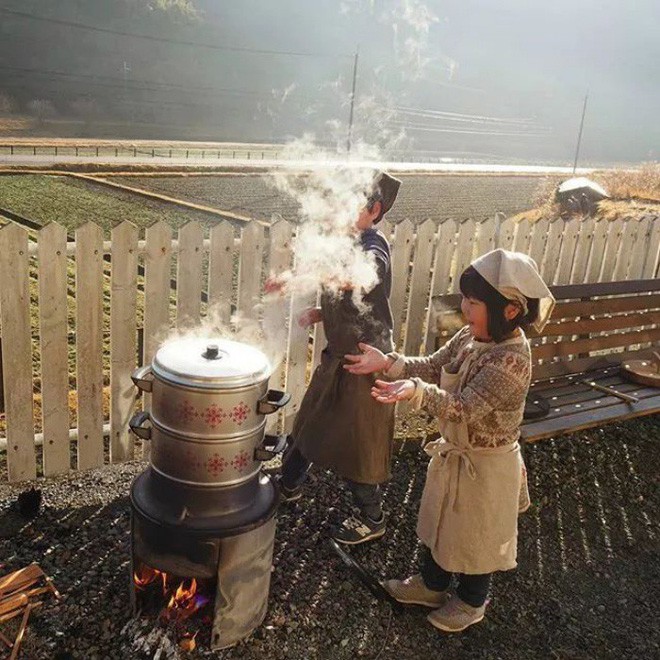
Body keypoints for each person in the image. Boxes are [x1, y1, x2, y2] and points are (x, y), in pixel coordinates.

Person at [344, 248, 555, 631]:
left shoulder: (512, 360)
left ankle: (473, 601)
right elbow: (433, 365)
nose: (464, 308)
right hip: (457, 453)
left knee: (476, 536)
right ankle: (433, 585)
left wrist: (416, 391)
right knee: (442, 521)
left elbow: (464, 407)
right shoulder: (471, 335)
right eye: (464, 299)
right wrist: (389, 364)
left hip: (487, 465)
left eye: (473, 303)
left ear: (510, 310)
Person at [273, 171, 402, 545]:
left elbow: (362, 278)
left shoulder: (373, 245)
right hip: (338, 356)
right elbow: (344, 297)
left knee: (356, 443)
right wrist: (320, 312)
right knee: (308, 422)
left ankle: (372, 518)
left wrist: (296, 279)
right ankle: (289, 485)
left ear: (374, 209)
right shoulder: (349, 241)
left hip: (366, 361)